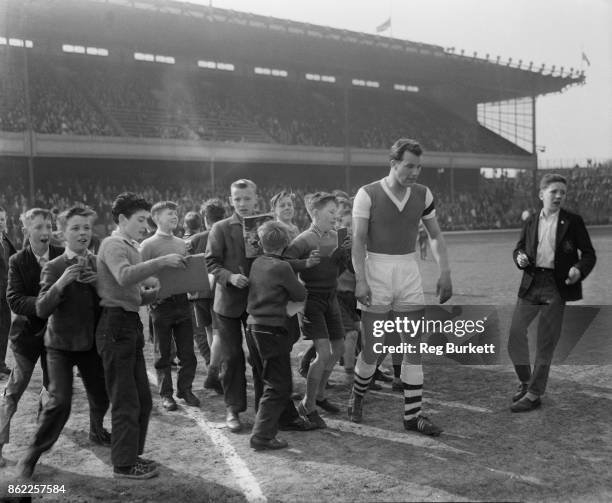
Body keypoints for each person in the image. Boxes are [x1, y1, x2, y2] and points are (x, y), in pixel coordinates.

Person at [348, 138, 452, 436]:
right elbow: (357, 240)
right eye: (409, 165)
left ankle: (413, 416)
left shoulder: (423, 194)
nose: (415, 172)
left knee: (413, 346)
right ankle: (357, 395)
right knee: (373, 348)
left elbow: (434, 235)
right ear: (393, 163)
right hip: (376, 269)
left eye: (419, 166)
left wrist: (444, 271)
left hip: (408, 271)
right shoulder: (367, 194)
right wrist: (360, 279)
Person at [96, 192, 186, 479]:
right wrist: (160, 263)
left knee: (142, 400)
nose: (145, 226)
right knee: (126, 399)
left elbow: (133, 295)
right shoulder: (112, 244)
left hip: (128, 324)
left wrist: (159, 292)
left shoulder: (128, 244)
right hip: (115, 326)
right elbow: (124, 276)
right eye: (140, 220)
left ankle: (131, 455)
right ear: (122, 219)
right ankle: (123, 465)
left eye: (146, 220)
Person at [17, 207, 111, 478]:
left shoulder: (97, 263)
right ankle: (31, 456)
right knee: (60, 402)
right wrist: (61, 282)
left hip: (90, 344)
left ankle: (97, 430)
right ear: (62, 234)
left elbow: (107, 304)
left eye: (87, 228)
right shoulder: (53, 266)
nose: (83, 233)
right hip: (59, 345)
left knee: (102, 394)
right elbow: (42, 309)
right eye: (76, 228)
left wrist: (98, 287)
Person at [508, 173, 596, 412]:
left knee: (546, 342)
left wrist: (578, 269)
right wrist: (521, 258)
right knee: (515, 334)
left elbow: (589, 254)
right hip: (531, 283)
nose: (559, 196)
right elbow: (518, 249)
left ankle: (535, 394)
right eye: (554, 191)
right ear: (541, 194)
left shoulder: (573, 221)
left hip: (556, 286)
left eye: (562, 193)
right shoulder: (531, 220)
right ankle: (526, 381)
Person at [0, 209, 63, 467]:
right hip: (26, 337)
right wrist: (44, 303)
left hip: (56, 339)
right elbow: (14, 299)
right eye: (38, 227)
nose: (45, 232)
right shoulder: (17, 260)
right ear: (26, 230)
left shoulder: (62, 256)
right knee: (15, 390)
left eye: (48, 226)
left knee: (50, 393)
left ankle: (34, 450)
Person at [285, 192, 350, 428]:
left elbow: (340, 271)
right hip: (312, 300)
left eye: (336, 212)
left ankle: (320, 395)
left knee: (339, 347)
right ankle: (307, 404)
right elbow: (285, 264)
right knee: (323, 353)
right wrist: (306, 264)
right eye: (331, 212)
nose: (336, 216)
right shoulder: (303, 240)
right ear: (315, 213)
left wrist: (343, 257)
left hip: (332, 298)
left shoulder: (337, 237)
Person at [246, 221, 307, 450]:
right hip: (272, 329)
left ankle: (265, 427)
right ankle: (261, 435)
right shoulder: (282, 267)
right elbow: (300, 293)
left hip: (252, 327)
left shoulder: (256, 262)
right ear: (286, 244)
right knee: (279, 385)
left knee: (268, 379)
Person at [206, 179, 257, 433]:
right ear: (231, 201)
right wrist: (230, 277)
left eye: (247, 198)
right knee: (232, 357)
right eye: (238, 199)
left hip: (258, 301)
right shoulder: (220, 228)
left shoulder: (265, 225)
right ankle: (233, 409)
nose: (243, 204)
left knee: (261, 355)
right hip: (227, 303)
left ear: (256, 199)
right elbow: (211, 263)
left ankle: (267, 409)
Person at [141, 201, 199, 411]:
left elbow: (186, 271)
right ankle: (166, 394)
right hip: (161, 304)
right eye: (169, 214)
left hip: (182, 302)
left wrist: (193, 283)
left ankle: (185, 389)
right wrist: (152, 292)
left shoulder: (181, 243)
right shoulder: (147, 245)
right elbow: (141, 274)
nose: (174, 216)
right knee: (163, 353)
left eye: (175, 213)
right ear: (156, 218)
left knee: (187, 352)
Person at [185, 199, 226, 395]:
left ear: (204, 218)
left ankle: (214, 366)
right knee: (219, 332)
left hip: (198, 292)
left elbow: (188, 264)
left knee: (210, 330)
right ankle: (215, 370)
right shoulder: (223, 235)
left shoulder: (194, 239)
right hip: (218, 290)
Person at [0, 206, 17, 376]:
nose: (0, 223)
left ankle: (1, 363)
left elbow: (15, 259)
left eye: (2, 219)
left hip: (4, 293)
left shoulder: (5, 240)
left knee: (5, 326)